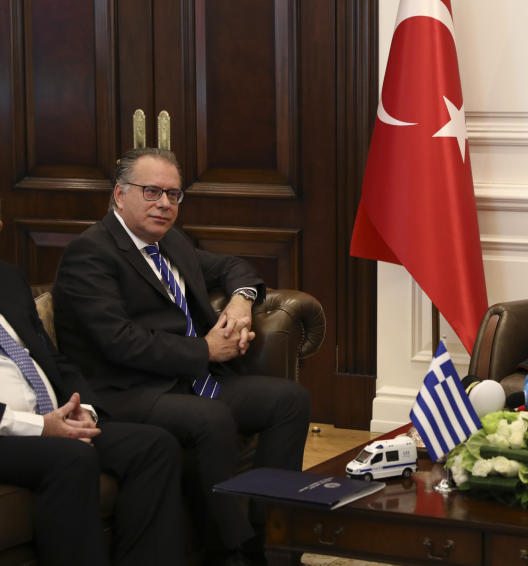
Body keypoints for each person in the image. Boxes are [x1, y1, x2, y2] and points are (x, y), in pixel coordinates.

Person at [51, 148, 311, 566]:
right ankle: (229, 551)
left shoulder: (170, 241)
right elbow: (119, 341)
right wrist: (205, 349)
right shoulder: (91, 253)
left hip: (189, 380)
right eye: (151, 192)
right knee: (209, 420)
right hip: (127, 390)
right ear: (119, 194)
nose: (165, 204)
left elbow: (231, 265)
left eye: (173, 195)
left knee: (289, 400)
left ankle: (272, 539)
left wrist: (243, 301)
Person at [0, 230, 183, 566]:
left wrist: (83, 408)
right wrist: (40, 427)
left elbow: (52, 358)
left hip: (52, 418)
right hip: (7, 430)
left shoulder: (7, 279)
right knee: (70, 457)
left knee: (154, 446)